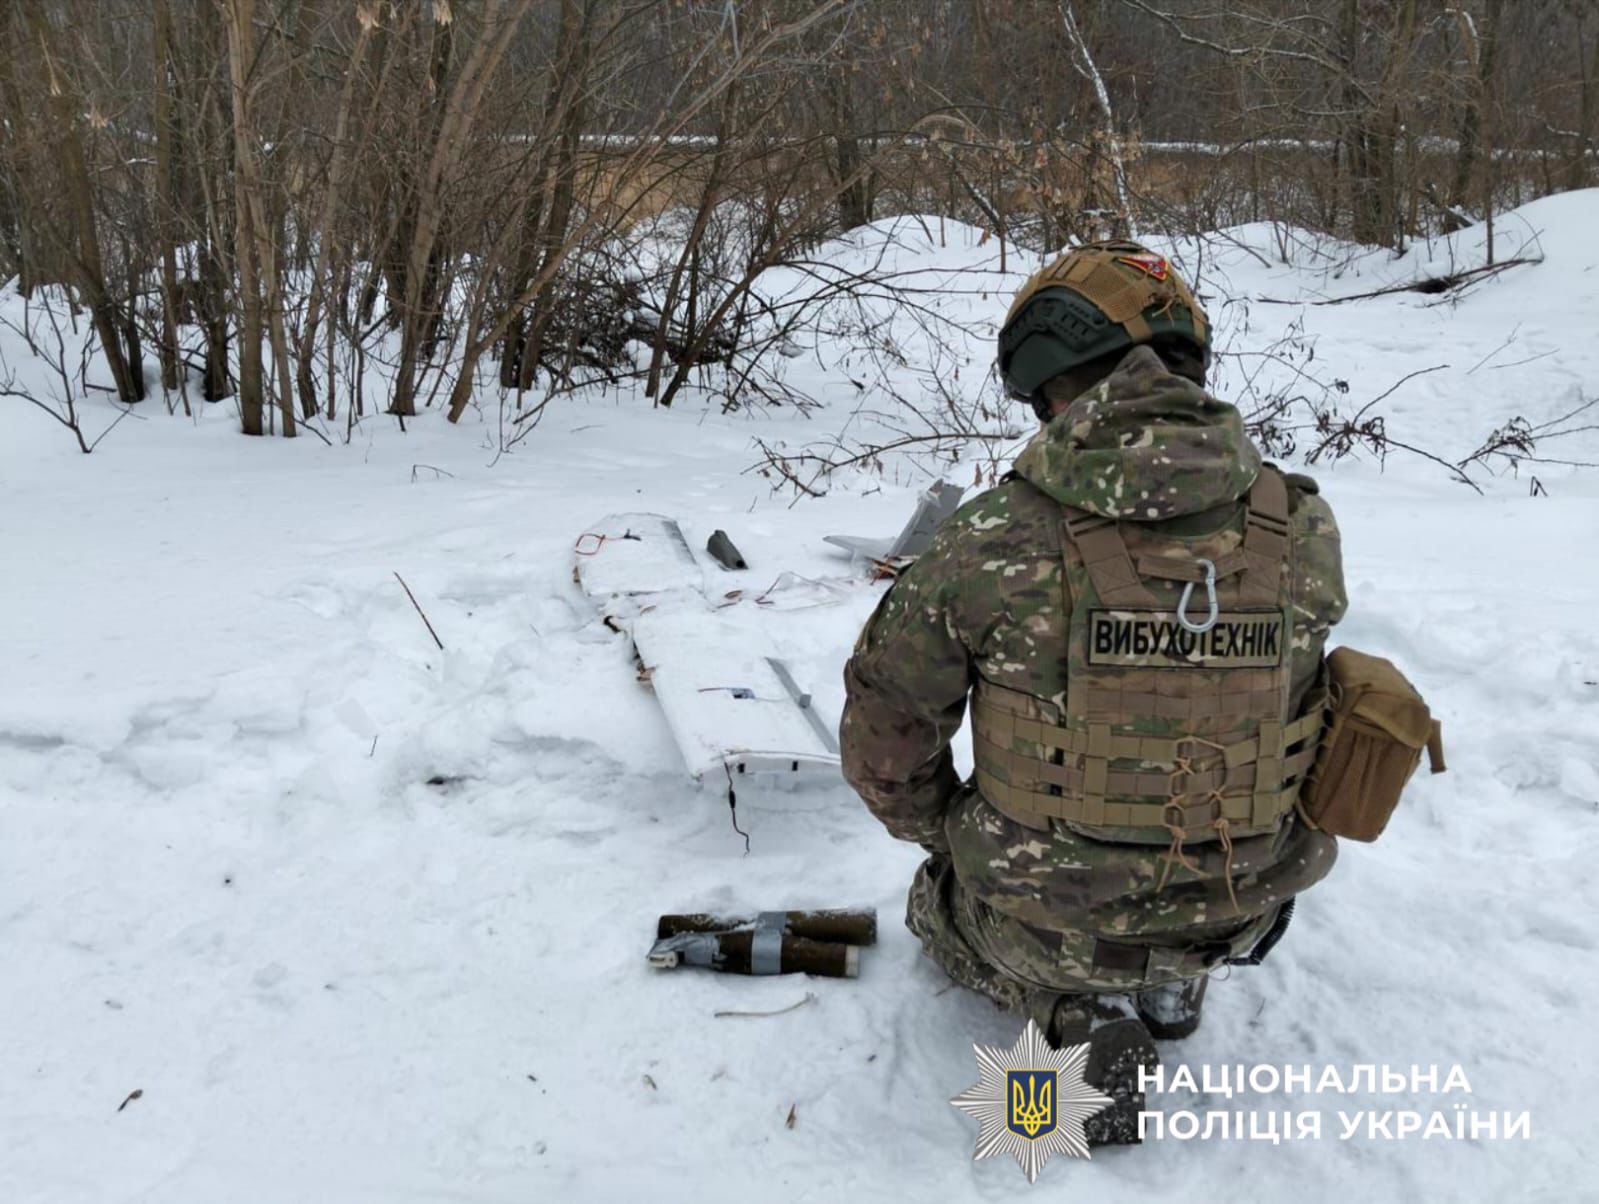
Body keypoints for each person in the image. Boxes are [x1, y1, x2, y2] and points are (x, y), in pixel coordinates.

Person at [840, 241, 1348, 1143]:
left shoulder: (995, 536)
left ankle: (1075, 1013)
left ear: (1050, 383)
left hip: (1040, 925)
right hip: (1244, 908)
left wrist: (951, 834)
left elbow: (886, 742)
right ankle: (1168, 973)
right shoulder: (1297, 522)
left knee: (936, 909)